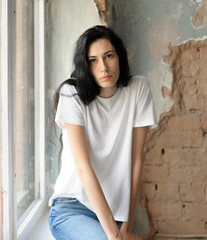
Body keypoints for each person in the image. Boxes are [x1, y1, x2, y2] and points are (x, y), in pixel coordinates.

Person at [48, 25, 157, 240]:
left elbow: (136, 161)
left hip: (114, 212)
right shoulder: (72, 94)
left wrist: (126, 226)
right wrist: (113, 236)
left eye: (109, 56)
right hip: (72, 208)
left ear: (120, 57)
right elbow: (83, 166)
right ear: (85, 65)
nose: (103, 68)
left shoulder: (138, 88)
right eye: (93, 60)